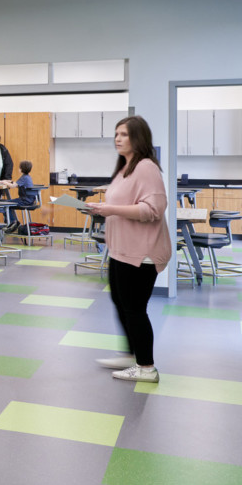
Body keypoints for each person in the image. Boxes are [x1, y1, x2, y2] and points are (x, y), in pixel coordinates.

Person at [88, 116, 171, 383]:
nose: (118, 138)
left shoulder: (146, 167)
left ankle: (146, 368)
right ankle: (130, 354)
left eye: (123, 134)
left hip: (141, 253)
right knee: (121, 304)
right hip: (121, 250)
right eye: (116, 134)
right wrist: (101, 209)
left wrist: (109, 209)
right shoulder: (125, 168)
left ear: (138, 138)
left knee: (134, 309)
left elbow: (153, 209)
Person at [0, 160, 38, 233]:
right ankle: (13, 222)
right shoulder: (27, 177)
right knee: (8, 203)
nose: (18, 169)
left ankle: (12, 223)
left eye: (19, 168)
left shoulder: (24, 177)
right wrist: (8, 181)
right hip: (29, 200)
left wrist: (4, 182)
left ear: (22, 169)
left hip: (24, 201)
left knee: (4, 204)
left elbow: (13, 186)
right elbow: (17, 184)